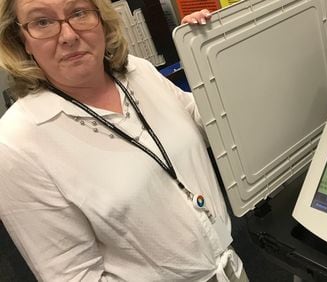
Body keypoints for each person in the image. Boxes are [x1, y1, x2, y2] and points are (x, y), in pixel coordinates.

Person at [0, 0, 248, 281]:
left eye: (79, 13)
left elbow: (210, 125)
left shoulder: (137, 71)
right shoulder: (16, 142)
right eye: (42, 22)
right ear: (20, 40)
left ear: (101, 20)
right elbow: (74, 275)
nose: (68, 35)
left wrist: (216, 48)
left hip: (230, 266)